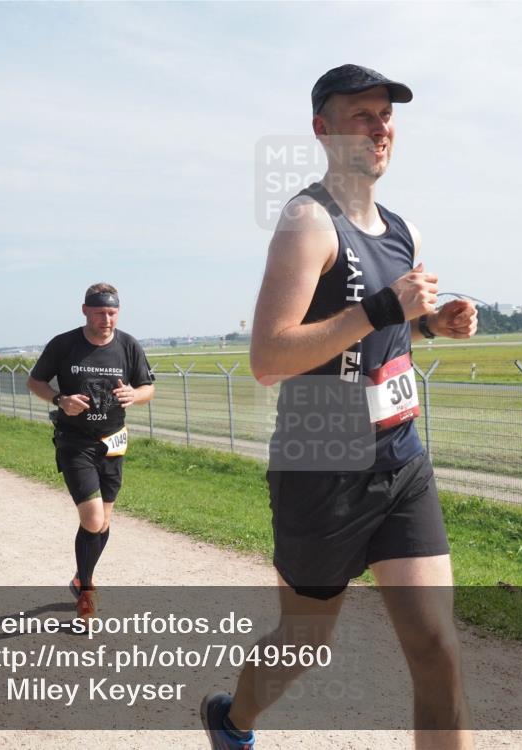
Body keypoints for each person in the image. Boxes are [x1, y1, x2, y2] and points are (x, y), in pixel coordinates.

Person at [201, 65, 479, 750]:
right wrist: (386, 306)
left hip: (401, 455)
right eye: (362, 115)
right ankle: (232, 719)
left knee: (438, 648)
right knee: (304, 640)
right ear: (323, 130)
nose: (380, 127)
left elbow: (380, 332)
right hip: (320, 460)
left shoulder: (400, 228)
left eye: (386, 115)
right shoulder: (306, 222)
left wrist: (430, 325)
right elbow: (270, 357)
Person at [27, 283, 155, 621]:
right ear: (85, 310)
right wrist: (59, 400)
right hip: (75, 441)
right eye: (100, 313)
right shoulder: (64, 344)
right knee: (93, 519)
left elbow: (148, 388)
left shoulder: (128, 345)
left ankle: (81, 577)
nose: (107, 319)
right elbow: (35, 382)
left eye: (112, 313)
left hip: (113, 442)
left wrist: (134, 396)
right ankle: (86, 590)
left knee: (104, 521)